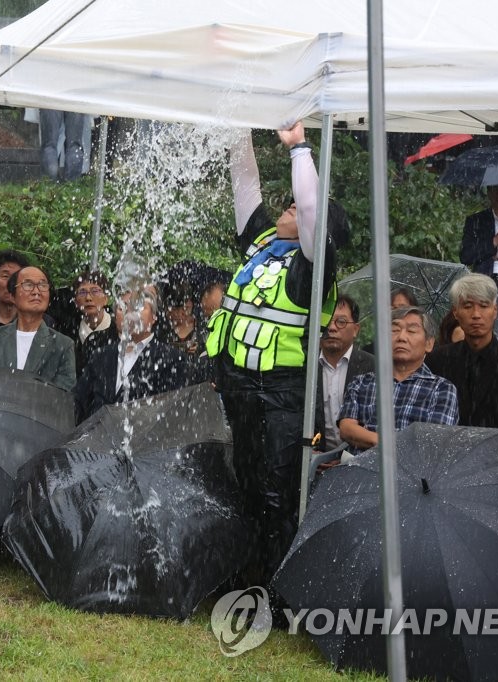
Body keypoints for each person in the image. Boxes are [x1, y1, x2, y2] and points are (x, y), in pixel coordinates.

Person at [205, 122, 348, 584]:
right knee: (244, 483)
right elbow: (244, 182)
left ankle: (278, 592)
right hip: (241, 388)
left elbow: (311, 208)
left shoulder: (313, 265)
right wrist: (238, 125)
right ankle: (244, 580)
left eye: (296, 207)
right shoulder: (263, 246)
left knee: (276, 493)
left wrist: (299, 148)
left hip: (283, 395)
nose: (289, 208)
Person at [339, 307, 459, 454]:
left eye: (412, 331)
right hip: (358, 472)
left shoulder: (441, 389)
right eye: (394, 330)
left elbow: (432, 444)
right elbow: (346, 429)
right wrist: (389, 444)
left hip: (412, 474)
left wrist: (368, 438)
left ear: (429, 344)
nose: (402, 337)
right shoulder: (362, 382)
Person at [425, 273, 498, 428]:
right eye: (467, 306)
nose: (476, 315)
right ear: (455, 312)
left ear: (495, 310)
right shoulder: (437, 360)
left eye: (484, 306)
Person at [73, 287, 194, 422]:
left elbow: (173, 415)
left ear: (154, 316)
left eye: (138, 306)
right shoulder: (100, 356)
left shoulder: (172, 359)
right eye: (123, 307)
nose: (129, 312)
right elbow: (78, 404)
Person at [0, 265, 76, 391]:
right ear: (12, 296)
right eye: (28, 285)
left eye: (43, 285)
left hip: (38, 409)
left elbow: (65, 396)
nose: (36, 291)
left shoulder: (62, 345)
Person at [316, 294, 374, 451]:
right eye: (325, 321)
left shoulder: (373, 367)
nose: (331, 328)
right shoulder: (306, 368)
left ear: (355, 329)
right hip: (315, 463)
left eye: (341, 322)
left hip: (360, 461)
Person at [71, 270, 116, 376]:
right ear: (76, 302)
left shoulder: (119, 331)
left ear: (106, 299)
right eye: (82, 292)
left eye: (95, 291)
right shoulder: (68, 330)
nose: (88, 298)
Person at [39, 110, 88, 181]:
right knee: (74, 146)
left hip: (51, 100)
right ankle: (72, 185)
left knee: (49, 145)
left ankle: (48, 185)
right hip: (76, 101)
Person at [163, 280, 199, 358]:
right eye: (174, 309)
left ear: (191, 304)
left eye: (185, 308)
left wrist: (200, 349)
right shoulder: (161, 329)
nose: (179, 313)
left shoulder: (201, 328)